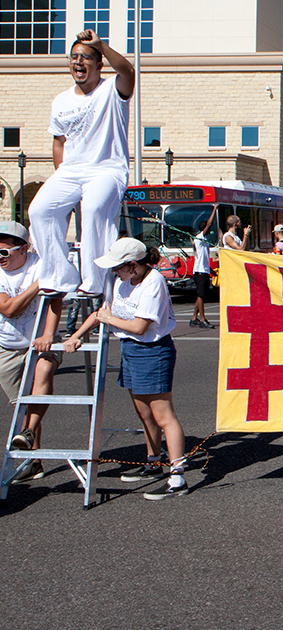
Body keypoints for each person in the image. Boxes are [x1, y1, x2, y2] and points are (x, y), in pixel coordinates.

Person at [63, 238, 188, 500]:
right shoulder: (121, 282)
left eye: (117, 268)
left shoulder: (154, 282)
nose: (114, 273)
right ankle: (154, 462)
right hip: (130, 350)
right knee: (144, 413)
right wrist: (76, 335)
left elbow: (140, 327)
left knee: (164, 414)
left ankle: (178, 476)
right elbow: (101, 312)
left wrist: (109, 319)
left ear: (134, 265)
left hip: (153, 350)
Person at [26, 29, 134, 297]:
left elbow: (128, 71)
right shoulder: (61, 101)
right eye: (74, 57)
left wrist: (101, 45)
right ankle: (57, 275)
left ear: (99, 64)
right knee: (40, 210)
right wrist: (62, 183)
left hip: (107, 169)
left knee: (95, 209)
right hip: (70, 171)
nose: (78, 62)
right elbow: (59, 142)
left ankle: (94, 281)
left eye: (86, 57)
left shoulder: (112, 89)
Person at [0, 222, 62, 483]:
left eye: (4, 252)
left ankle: (28, 433)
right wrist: (37, 285)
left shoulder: (40, 264)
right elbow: (8, 309)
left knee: (44, 370)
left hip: (40, 342)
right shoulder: (31, 275)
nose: (0, 258)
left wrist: (48, 335)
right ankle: (33, 460)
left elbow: (54, 300)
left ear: (23, 248)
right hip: (7, 346)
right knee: (20, 406)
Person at [189, 206, 217, 329]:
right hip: (200, 272)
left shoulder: (203, 240)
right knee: (201, 296)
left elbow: (202, 258)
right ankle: (202, 318)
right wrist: (214, 210)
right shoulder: (199, 238)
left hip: (203, 270)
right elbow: (210, 224)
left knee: (201, 295)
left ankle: (194, 318)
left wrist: (210, 270)